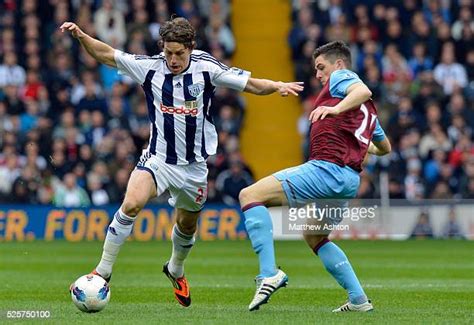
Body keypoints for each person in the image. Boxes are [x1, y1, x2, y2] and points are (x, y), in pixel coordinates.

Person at [60, 17, 303, 307]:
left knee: (187, 226)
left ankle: (175, 269)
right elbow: (107, 54)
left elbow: (249, 84)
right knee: (132, 203)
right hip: (158, 159)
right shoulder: (150, 67)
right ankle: (103, 270)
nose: (173, 60)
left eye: (179, 53)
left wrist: (276, 85)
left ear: (191, 48)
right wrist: (81, 36)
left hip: (195, 167)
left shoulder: (207, 68)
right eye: (168, 52)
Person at [238, 41, 391, 312]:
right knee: (314, 235)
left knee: (250, 195)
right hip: (348, 180)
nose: (318, 75)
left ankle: (268, 273)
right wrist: (362, 148)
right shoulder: (369, 112)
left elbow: (363, 89)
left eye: (322, 68)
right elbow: (385, 147)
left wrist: (335, 109)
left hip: (326, 169)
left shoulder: (343, 80)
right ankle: (358, 300)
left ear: (339, 65)